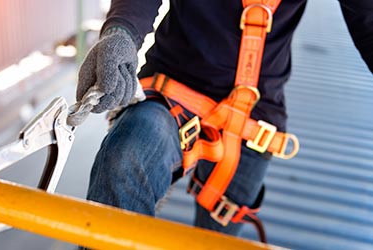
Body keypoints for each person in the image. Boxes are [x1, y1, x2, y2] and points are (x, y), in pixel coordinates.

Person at [76, 0, 373, 242]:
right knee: (126, 156)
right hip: (175, 86)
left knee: (218, 241)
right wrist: (122, 32)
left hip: (255, 119)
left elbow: (367, 21)